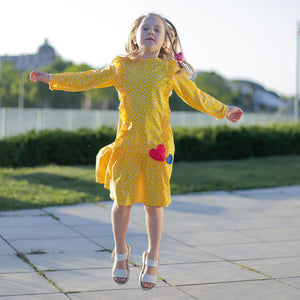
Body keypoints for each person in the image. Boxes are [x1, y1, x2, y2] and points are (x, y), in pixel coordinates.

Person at [30, 13, 243, 290]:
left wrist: (224, 110)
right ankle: (120, 253)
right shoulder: (121, 67)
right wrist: (52, 78)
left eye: (158, 29)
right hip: (127, 146)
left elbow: (195, 96)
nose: (151, 32)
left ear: (165, 39)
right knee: (122, 202)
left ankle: (152, 257)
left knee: (154, 205)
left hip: (158, 148)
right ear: (135, 35)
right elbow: (88, 79)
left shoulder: (170, 71)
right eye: (146, 28)